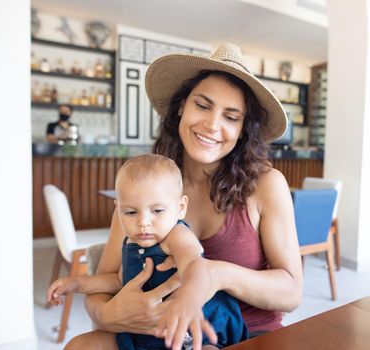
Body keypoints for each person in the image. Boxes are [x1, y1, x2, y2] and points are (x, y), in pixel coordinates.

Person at [66, 43, 303, 350]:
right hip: (153, 333)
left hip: (240, 334)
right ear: (181, 107)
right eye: (202, 106)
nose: (212, 125)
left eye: (231, 117)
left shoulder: (267, 184)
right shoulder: (147, 187)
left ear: (244, 129)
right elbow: (106, 281)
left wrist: (214, 274)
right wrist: (109, 313)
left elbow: (292, 294)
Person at [48, 154, 248, 349]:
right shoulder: (131, 243)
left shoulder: (177, 235)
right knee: (77, 345)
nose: (143, 222)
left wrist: (190, 299)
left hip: (195, 333)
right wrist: (77, 283)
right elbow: (118, 281)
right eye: (131, 212)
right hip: (144, 334)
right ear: (118, 210)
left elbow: (195, 265)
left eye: (157, 211)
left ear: (180, 208)